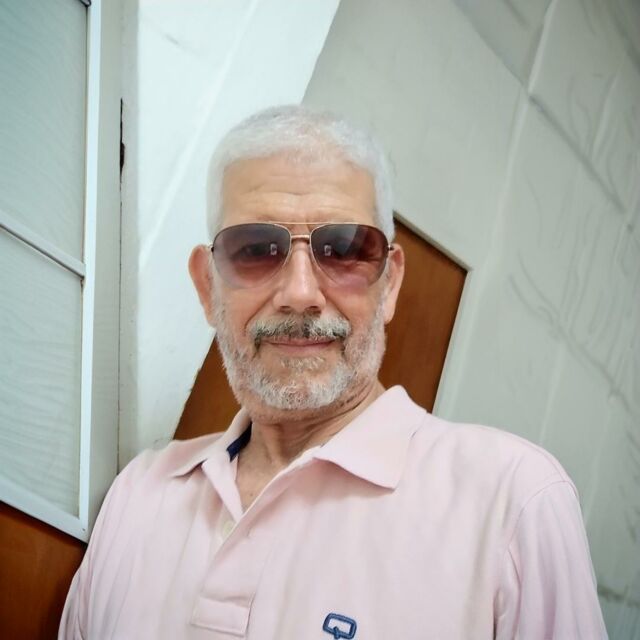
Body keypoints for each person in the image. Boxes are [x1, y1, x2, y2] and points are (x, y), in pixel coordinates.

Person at [59, 105, 607, 639]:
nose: (300, 293)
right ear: (208, 287)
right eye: (256, 249)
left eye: (344, 249)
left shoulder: (512, 503)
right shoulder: (138, 496)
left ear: (389, 285)